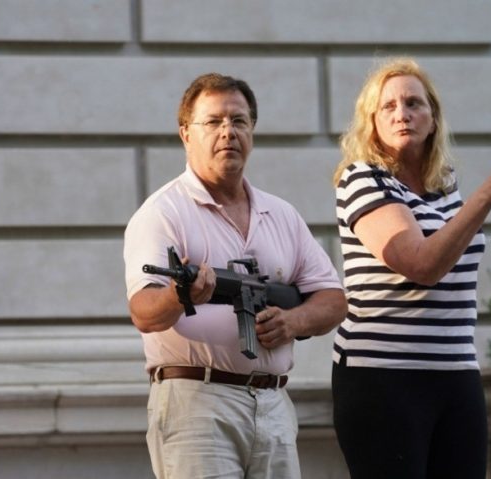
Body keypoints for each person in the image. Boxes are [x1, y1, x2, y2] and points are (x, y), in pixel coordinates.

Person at [124, 72, 347, 479]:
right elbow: (143, 311)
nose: (228, 132)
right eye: (213, 122)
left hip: (274, 403)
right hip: (197, 402)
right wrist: (181, 294)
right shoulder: (162, 214)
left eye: (239, 121)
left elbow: (333, 298)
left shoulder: (280, 214)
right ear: (185, 134)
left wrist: (292, 322)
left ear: (252, 131)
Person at [331, 57, 491, 479]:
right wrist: (488, 196)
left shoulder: (445, 187)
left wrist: (473, 199)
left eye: (413, 103)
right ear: (371, 122)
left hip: (456, 372)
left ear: (433, 119)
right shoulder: (363, 179)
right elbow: (420, 264)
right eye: (387, 107)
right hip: (383, 377)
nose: (401, 114)